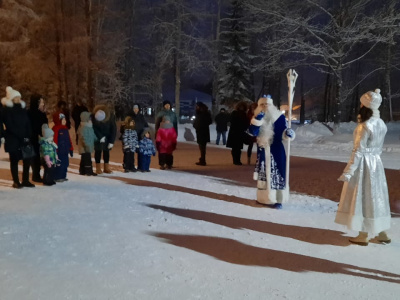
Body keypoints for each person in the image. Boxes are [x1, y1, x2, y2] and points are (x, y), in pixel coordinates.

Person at [335, 89, 391, 246]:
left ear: (365, 106)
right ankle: (382, 232)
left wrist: (349, 171)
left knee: (363, 196)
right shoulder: (381, 124)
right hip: (376, 164)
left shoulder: (364, 126)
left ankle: (363, 233)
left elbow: (358, 150)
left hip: (364, 166)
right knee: (377, 197)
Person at [247, 95, 295, 209]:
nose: (265, 107)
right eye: (262, 105)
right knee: (264, 175)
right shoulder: (256, 117)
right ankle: (263, 198)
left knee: (277, 175)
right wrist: (257, 120)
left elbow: (283, 133)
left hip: (276, 150)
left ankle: (279, 199)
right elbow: (252, 133)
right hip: (263, 150)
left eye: (267, 104)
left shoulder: (279, 117)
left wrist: (288, 134)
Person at [1, 86, 35, 188]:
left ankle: (25, 180)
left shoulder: (22, 109)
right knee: (14, 160)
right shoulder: (6, 110)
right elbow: (9, 124)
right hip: (13, 138)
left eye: (19, 97)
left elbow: (27, 122)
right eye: (16, 97)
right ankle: (16, 181)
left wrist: (28, 135)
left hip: (24, 138)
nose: (18, 99)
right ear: (11, 99)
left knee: (27, 159)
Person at [27, 93, 48, 182]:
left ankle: (42, 174)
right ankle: (36, 175)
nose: (42, 104)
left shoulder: (41, 114)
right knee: (34, 158)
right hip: (32, 138)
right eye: (41, 102)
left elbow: (45, 126)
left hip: (41, 139)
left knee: (41, 157)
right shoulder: (29, 113)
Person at [92, 104, 117, 174]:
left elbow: (113, 129)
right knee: (98, 151)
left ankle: (106, 167)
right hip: (98, 137)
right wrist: (100, 137)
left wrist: (111, 142)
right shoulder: (94, 116)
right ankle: (98, 168)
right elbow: (94, 128)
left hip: (108, 137)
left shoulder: (110, 117)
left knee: (106, 152)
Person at [52, 112, 73, 182]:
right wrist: (55, 149)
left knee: (65, 163)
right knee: (59, 164)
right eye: (62, 120)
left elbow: (69, 139)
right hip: (59, 151)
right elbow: (54, 140)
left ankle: (63, 175)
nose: (64, 121)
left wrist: (71, 148)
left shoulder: (65, 129)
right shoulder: (56, 129)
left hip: (65, 150)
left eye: (65, 120)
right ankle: (58, 176)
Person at [226, 101, 248, 165]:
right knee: (234, 148)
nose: (241, 108)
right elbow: (232, 121)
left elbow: (246, 123)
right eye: (240, 107)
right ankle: (235, 160)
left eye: (243, 107)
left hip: (240, 132)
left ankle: (238, 160)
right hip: (234, 132)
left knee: (238, 148)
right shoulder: (234, 113)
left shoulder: (244, 114)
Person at [127, 104, 148, 170]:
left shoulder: (141, 116)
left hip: (140, 136)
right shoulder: (129, 116)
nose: (136, 110)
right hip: (132, 136)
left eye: (137, 108)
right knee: (130, 153)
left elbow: (145, 125)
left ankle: (141, 166)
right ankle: (130, 166)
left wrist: (145, 133)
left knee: (140, 152)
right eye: (134, 108)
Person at [78, 111, 97, 176]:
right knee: (87, 159)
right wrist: (87, 145)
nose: (90, 120)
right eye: (89, 119)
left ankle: (82, 170)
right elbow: (84, 137)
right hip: (85, 147)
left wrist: (96, 138)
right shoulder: (83, 128)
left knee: (84, 159)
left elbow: (92, 134)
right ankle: (88, 171)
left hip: (88, 145)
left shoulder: (89, 127)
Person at [193, 102, 212, 166]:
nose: (196, 107)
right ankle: (202, 159)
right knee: (201, 147)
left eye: (197, 106)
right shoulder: (200, 113)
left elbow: (208, 121)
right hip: (201, 131)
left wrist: (198, 125)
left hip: (202, 132)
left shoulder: (204, 113)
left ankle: (203, 160)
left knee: (202, 147)